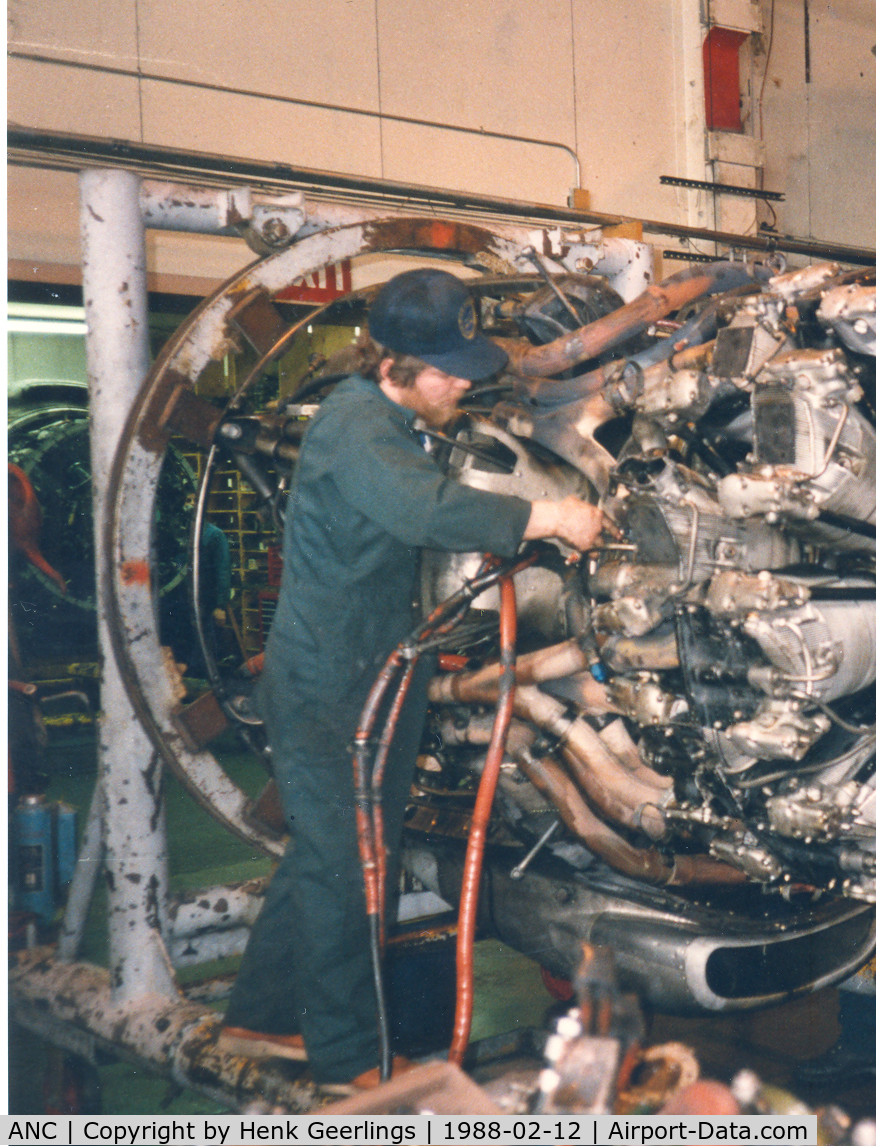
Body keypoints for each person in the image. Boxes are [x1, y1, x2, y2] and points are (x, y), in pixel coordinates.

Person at [217, 269, 612, 1092]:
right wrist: (550, 516)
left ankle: (262, 1013)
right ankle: (344, 1060)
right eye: (449, 369)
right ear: (395, 363)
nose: (464, 382)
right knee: (355, 863)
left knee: (327, 855)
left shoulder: (389, 417)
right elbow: (426, 513)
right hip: (338, 687)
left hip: (364, 672)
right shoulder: (360, 426)